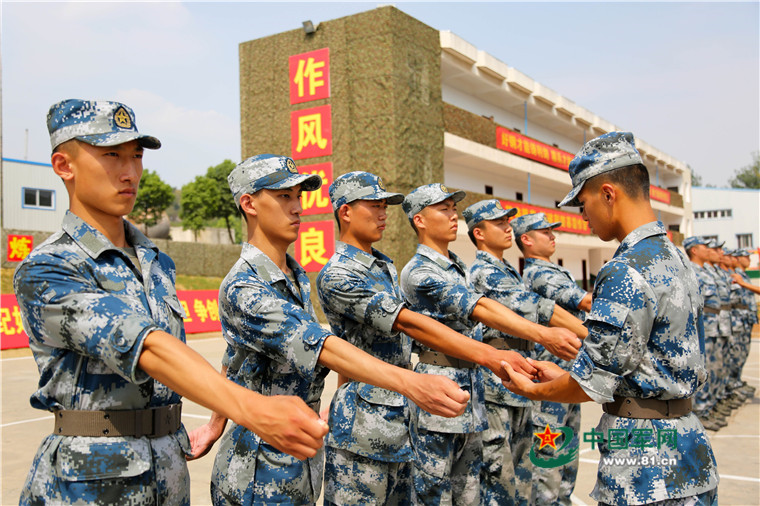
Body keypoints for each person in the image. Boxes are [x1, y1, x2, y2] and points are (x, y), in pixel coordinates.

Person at [14, 100, 330, 506]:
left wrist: (216, 420)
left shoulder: (155, 263)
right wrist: (252, 409)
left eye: (136, 156)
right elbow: (148, 346)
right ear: (64, 165)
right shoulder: (49, 266)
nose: (130, 172)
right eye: (111, 155)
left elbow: (204, 359)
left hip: (168, 470)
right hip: (90, 482)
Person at [192, 156, 471, 505]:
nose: (297, 208)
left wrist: (215, 423)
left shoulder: (292, 277)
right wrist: (412, 382)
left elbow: (235, 357)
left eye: (298, 197)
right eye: (284, 197)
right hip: (258, 468)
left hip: (300, 459)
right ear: (249, 204)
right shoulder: (244, 286)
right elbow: (321, 345)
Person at [501, 131, 719, 505]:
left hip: (644, 466)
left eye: (582, 203)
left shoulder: (625, 270)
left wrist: (533, 390)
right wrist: (568, 376)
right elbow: (648, 360)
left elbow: (593, 382)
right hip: (688, 450)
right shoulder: (676, 257)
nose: (582, 216)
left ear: (607, 194)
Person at [316, 172, 535, 505]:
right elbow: (408, 324)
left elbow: (352, 346)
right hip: (364, 427)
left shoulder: (383, 268)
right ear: (345, 212)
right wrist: (492, 356)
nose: (382, 213)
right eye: (373, 205)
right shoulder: (338, 274)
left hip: (402, 417)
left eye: (384, 206)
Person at [400, 184, 581, 505]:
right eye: (443, 210)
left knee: (477, 493)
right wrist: (544, 334)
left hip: (473, 393)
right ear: (419, 221)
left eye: (453, 209)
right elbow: (480, 307)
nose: (453, 215)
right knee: (437, 495)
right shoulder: (420, 271)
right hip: (440, 394)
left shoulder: (460, 269)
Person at [463, 200, 587, 506]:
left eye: (508, 222)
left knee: (524, 478)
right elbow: (533, 307)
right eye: (499, 223)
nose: (508, 227)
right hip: (499, 385)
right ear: (478, 233)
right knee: (501, 479)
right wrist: (591, 336)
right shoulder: (483, 272)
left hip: (520, 379)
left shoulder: (508, 271)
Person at [510, 211, 589, 505]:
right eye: (545, 232)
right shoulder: (539, 274)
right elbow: (585, 301)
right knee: (549, 451)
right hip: (551, 372)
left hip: (569, 370)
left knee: (566, 446)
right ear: (527, 240)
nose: (552, 235)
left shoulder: (551, 270)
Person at [683, 236, 728, 430]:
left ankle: (709, 406)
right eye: (705, 247)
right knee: (704, 370)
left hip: (715, 325)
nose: (709, 250)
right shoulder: (691, 272)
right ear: (694, 250)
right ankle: (701, 411)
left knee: (716, 367)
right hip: (704, 327)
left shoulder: (706, 271)